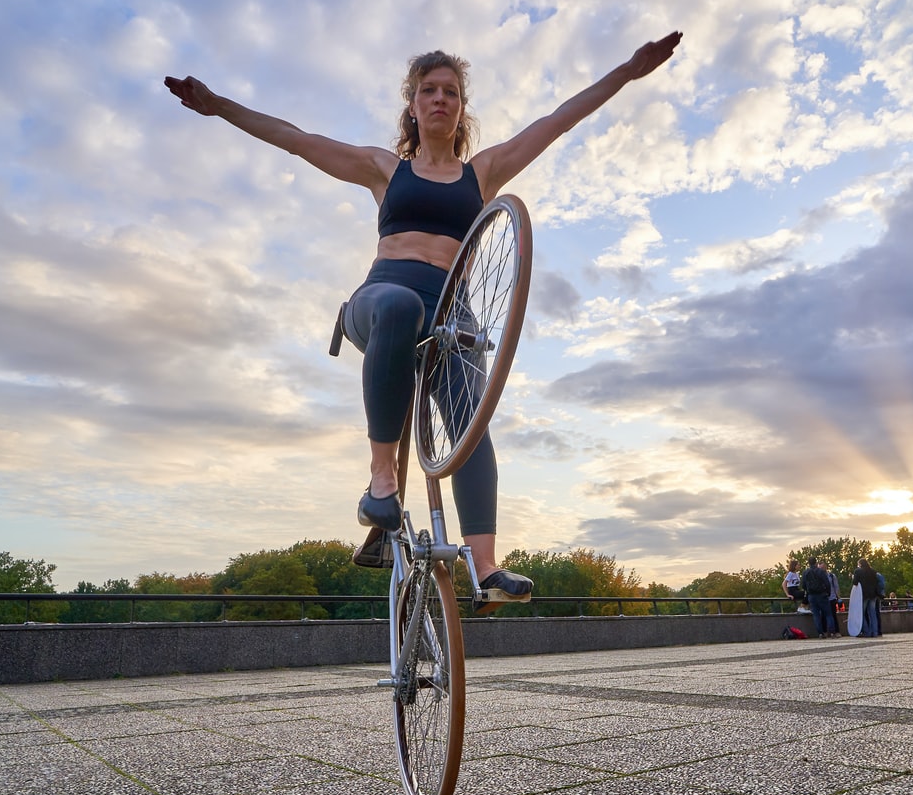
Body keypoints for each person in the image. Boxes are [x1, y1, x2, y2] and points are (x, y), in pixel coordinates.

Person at [165, 32, 682, 608]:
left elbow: (558, 119)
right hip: (383, 299)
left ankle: (484, 567)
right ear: (411, 104)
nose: (440, 99)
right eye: (428, 90)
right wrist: (219, 107)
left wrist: (627, 71)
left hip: (451, 318)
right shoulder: (385, 170)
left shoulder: (482, 173)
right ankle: (382, 482)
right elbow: (295, 140)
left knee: (471, 415)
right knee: (398, 306)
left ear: (462, 109)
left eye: (452, 93)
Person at [801, 557, 835, 638]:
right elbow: (827, 583)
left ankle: (820, 633)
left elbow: (803, 585)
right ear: (816, 563)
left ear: (808, 563)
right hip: (822, 595)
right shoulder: (820, 571)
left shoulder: (805, 572)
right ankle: (832, 632)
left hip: (811, 596)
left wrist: (808, 592)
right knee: (828, 614)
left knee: (816, 615)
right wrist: (828, 592)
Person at [854, 557, 881, 637]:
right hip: (873, 595)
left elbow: (855, 583)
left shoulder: (858, 571)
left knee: (861, 614)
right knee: (873, 614)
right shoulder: (873, 571)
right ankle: (875, 632)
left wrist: (853, 577)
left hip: (864, 595)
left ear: (860, 564)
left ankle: (867, 631)